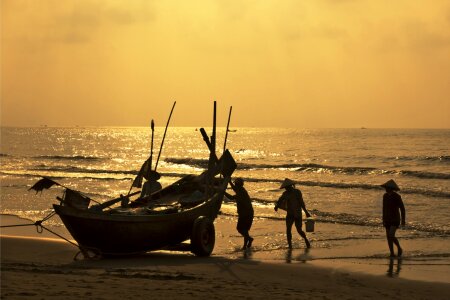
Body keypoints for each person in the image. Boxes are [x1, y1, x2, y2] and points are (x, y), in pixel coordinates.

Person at [275, 178, 311, 249]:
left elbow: (301, 203)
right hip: (290, 214)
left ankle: (306, 239)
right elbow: (280, 200)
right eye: (285, 188)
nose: (286, 189)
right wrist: (276, 206)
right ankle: (290, 245)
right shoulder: (285, 194)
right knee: (288, 229)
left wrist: (306, 212)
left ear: (290, 186)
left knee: (299, 230)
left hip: (298, 214)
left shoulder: (297, 192)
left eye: (286, 187)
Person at [225, 178, 254, 249]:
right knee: (241, 229)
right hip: (244, 213)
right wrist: (229, 181)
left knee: (243, 229)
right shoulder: (240, 190)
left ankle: (245, 245)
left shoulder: (241, 192)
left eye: (235, 184)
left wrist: (223, 192)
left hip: (246, 213)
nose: (235, 185)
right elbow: (234, 189)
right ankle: (249, 239)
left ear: (238, 185)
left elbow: (231, 197)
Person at [381, 179, 405, 257]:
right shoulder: (385, 196)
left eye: (387, 187)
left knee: (391, 235)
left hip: (395, 219)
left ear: (391, 188)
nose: (385, 189)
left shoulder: (397, 196)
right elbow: (384, 208)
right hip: (387, 219)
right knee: (388, 237)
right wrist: (383, 219)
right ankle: (392, 253)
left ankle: (399, 248)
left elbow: (402, 208)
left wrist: (403, 220)